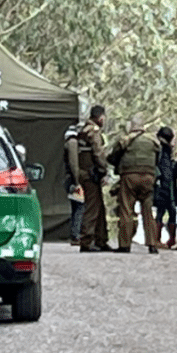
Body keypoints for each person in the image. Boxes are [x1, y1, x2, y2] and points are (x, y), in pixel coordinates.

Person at [107, 113, 161, 254]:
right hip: (148, 177)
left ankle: (125, 244)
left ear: (131, 126)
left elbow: (112, 157)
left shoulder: (125, 140)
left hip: (129, 177)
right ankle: (152, 244)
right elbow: (158, 158)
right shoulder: (153, 141)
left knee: (126, 210)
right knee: (148, 211)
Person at [77, 105, 112, 252]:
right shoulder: (93, 132)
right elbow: (98, 154)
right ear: (100, 117)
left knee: (99, 207)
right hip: (91, 174)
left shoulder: (84, 129)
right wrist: (104, 170)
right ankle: (86, 241)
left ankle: (101, 239)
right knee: (92, 207)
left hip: (87, 173)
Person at [153, 126, 176, 248]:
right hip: (164, 182)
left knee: (164, 210)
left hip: (164, 182)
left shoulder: (162, 148)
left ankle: (162, 239)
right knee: (167, 210)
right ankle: (161, 239)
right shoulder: (162, 149)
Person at [63, 122, 85, 245]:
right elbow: (74, 163)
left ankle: (75, 234)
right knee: (79, 207)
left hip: (69, 180)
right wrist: (77, 183)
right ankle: (76, 235)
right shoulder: (72, 143)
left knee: (76, 207)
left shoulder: (68, 142)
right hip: (73, 180)